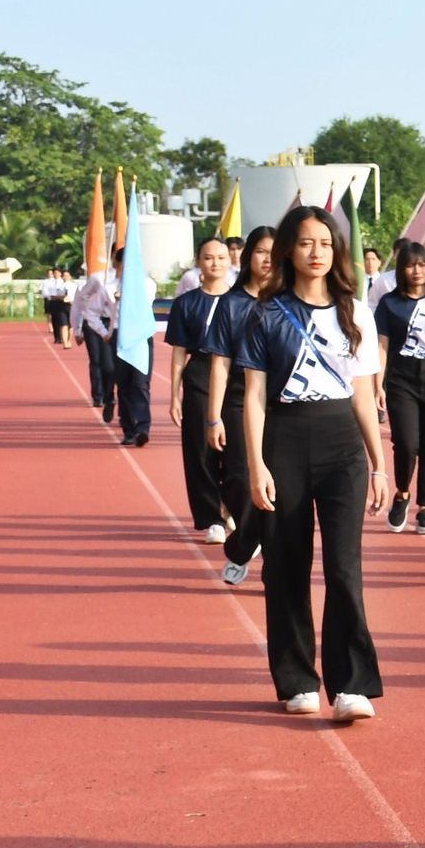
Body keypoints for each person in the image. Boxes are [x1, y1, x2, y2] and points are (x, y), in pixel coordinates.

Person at [236, 204, 389, 722]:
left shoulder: (355, 311)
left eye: (324, 243)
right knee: (285, 564)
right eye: (305, 243)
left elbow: (364, 395)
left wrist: (378, 463)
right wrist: (257, 464)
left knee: (344, 567)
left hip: (341, 443)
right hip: (284, 440)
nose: (316, 252)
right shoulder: (265, 313)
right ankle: (297, 678)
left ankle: (351, 685)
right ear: (289, 251)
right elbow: (255, 395)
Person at [205, 226, 278, 585]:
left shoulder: (286, 302)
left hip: (279, 403)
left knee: (278, 484)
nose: (268, 259)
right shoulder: (231, 304)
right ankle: (247, 538)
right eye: (261, 251)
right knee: (238, 477)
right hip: (237, 401)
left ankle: (263, 558)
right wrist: (213, 417)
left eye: (274, 252)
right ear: (248, 256)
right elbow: (219, 364)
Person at [372, 239, 425, 536]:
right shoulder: (389, 303)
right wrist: (378, 384)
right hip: (400, 376)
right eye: (410, 265)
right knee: (406, 443)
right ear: (401, 270)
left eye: (421, 265)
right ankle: (402, 493)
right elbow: (381, 345)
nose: (417, 271)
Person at [164, 236, 237, 541]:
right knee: (201, 449)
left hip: (236, 376)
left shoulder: (242, 300)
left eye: (221, 257)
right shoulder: (186, 303)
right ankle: (212, 518)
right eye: (209, 258)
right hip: (200, 375)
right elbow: (179, 353)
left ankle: (232, 506)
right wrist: (174, 396)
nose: (215, 263)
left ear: (230, 261)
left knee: (235, 448)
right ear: (199, 262)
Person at [107, 246, 154, 448]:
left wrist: (125, 296)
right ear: (117, 265)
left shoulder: (147, 283)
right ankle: (128, 429)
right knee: (124, 385)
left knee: (140, 383)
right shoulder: (109, 286)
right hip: (120, 336)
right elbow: (98, 308)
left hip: (141, 336)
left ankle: (143, 428)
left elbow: (143, 302)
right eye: (123, 264)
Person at [73, 261, 118, 424]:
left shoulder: (135, 280)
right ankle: (99, 396)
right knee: (97, 361)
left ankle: (110, 396)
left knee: (112, 365)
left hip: (114, 323)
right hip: (94, 322)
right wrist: (77, 328)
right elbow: (80, 302)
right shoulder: (98, 278)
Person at [42, 268, 73, 346]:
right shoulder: (49, 282)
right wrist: (57, 297)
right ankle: (58, 338)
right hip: (54, 302)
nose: (56, 274)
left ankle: (66, 339)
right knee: (56, 320)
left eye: (58, 273)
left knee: (68, 323)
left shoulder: (68, 283)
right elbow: (48, 293)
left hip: (66, 304)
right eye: (55, 273)